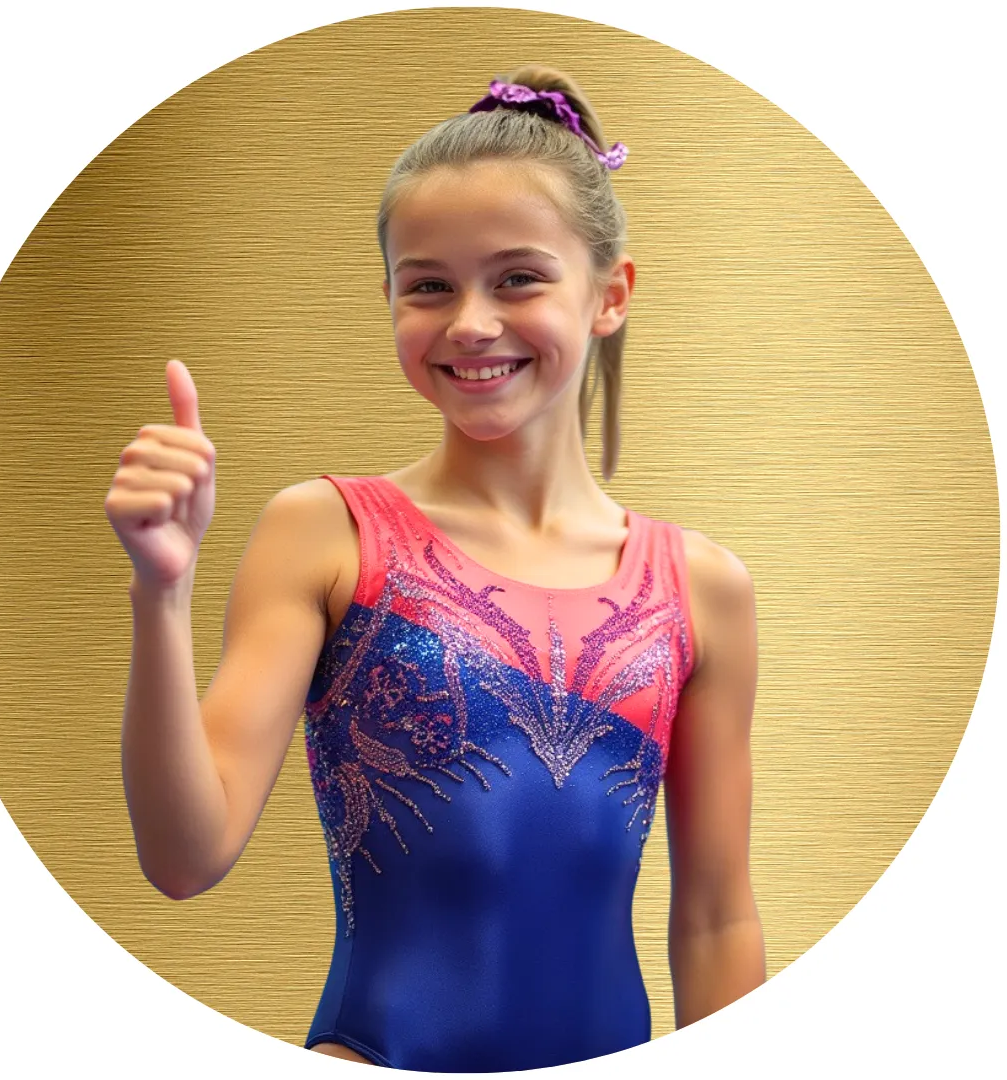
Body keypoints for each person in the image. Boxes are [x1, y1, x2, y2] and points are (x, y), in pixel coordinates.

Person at [106, 64, 765, 1071]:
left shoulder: (702, 587)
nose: (469, 321)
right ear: (389, 300)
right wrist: (161, 595)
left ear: (610, 294)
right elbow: (186, 858)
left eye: (517, 277)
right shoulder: (327, 533)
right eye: (428, 286)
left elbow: (716, 923)